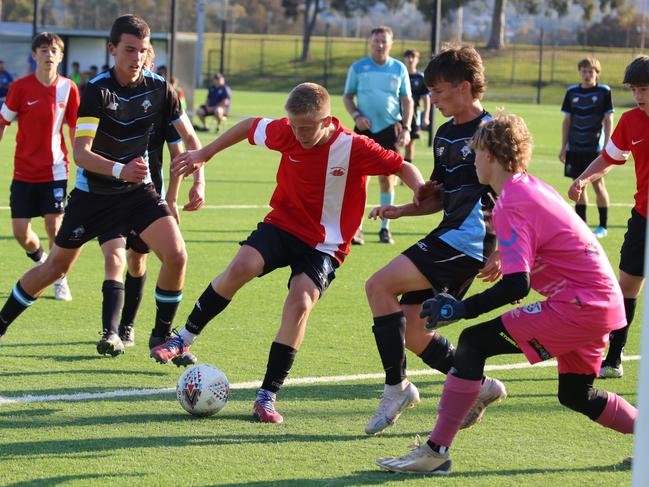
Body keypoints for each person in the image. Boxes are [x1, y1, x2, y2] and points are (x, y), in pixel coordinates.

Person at [150, 82, 426, 424]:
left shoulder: (354, 147)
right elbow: (248, 126)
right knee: (242, 266)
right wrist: (204, 154)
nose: (298, 134)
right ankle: (183, 338)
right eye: (294, 126)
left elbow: (402, 166)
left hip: (325, 244)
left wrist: (418, 189)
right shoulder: (288, 132)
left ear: (328, 121)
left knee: (301, 301)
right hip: (282, 224)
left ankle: (267, 396)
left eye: (306, 128)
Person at [377, 113, 635, 474]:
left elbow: (517, 285)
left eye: (476, 151)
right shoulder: (526, 188)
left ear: (492, 156)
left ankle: (434, 452)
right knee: (576, 394)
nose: (473, 158)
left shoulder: (512, 199)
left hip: (581, 305)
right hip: (597, 304)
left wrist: (459, 309)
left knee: (473, 342)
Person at [0, 15, 203, 352]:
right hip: (93, 195)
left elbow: (191, 139)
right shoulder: (97, 90)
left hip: (138, 194)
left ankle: (161, 336)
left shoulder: (160, 88)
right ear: (112, 49)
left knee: (176, 254)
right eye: (129, 50)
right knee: (55, 267)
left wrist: (200, 181)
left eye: (142, 50)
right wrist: (121, 169)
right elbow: (82, 153)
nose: (136, 58)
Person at [363, 46, 505, 437]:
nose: (434, 100)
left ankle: (397, 388)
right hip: (450, 235)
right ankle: (478, 385)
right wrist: (404, 210)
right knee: (412, 331)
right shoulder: (443, 135)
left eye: (439, 92)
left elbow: (515, 193)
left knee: (378, 285)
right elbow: (442, 195)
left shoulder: (493, 131)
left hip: (472, 240)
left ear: (464, 87)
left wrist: (508, 249)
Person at [95, 46, 205, 359]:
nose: (144, 66)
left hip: (147, 197)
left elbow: (179, 155)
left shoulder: (163, 105)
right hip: (109, 195)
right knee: (116, 256)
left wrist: (173, 196)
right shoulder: (108, 95)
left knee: (140, 260)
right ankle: (114, 331)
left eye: (149, 60)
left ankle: (145, 331)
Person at [569, 55, 649, 380]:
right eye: (634, 89)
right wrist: (583, 179)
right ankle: (614, 358)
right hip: (643, 216)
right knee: (627, 285)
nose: (639, 95)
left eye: (644, 88)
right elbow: (609, 156)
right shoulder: (630, 121)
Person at [0, 33, 79, 301]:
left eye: (53, 50)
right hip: (23, 172)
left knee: (53, 226)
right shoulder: (20, 87)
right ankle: (42, 261)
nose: (48, 54)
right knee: (21, 232)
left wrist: (83, 156)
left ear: (60, 56)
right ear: (34, 55)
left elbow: (75, 127)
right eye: (43, 50)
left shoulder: (69, 88)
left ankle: (60, 278)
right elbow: (3, 121)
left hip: (55, 170)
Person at [343, 26, 414, 245]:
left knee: (387, 180)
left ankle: (385, 228)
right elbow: (347, 96)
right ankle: (357, 229)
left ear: (391, 44)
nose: (380, 45)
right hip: (364, 130)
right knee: (359, 180)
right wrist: (356, 116)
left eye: (384, 41)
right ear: (370, 42)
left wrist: (407, 127)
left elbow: (407, 100)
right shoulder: (358, 67)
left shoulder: (399, 68)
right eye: (376, 41)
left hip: (389, 130)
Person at [559, 57, 613, 238]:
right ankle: (582, 227)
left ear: (597, 73)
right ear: (580, 72)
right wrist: (563, 146)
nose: (587, 75)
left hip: (595, 149)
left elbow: (608, 119)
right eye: (584, 71)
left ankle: (603, 226)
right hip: (575, 148)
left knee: (599, 185)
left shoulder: (604, 91)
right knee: (578, 186)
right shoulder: (571, 92)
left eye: (591, 71)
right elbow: (567, 121)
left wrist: (607, 145)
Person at [403, 49, 431, 168]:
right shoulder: (400, 74)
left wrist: (425, 116)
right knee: (395, 146)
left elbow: (426, 99)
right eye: (408, 57)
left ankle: (406, 174)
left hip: (414, 116)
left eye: (413, 57)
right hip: (397, 116)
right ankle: (393, 175)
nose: (410, 60)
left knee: (410, 146)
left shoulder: (420, 78)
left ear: (417, 60)